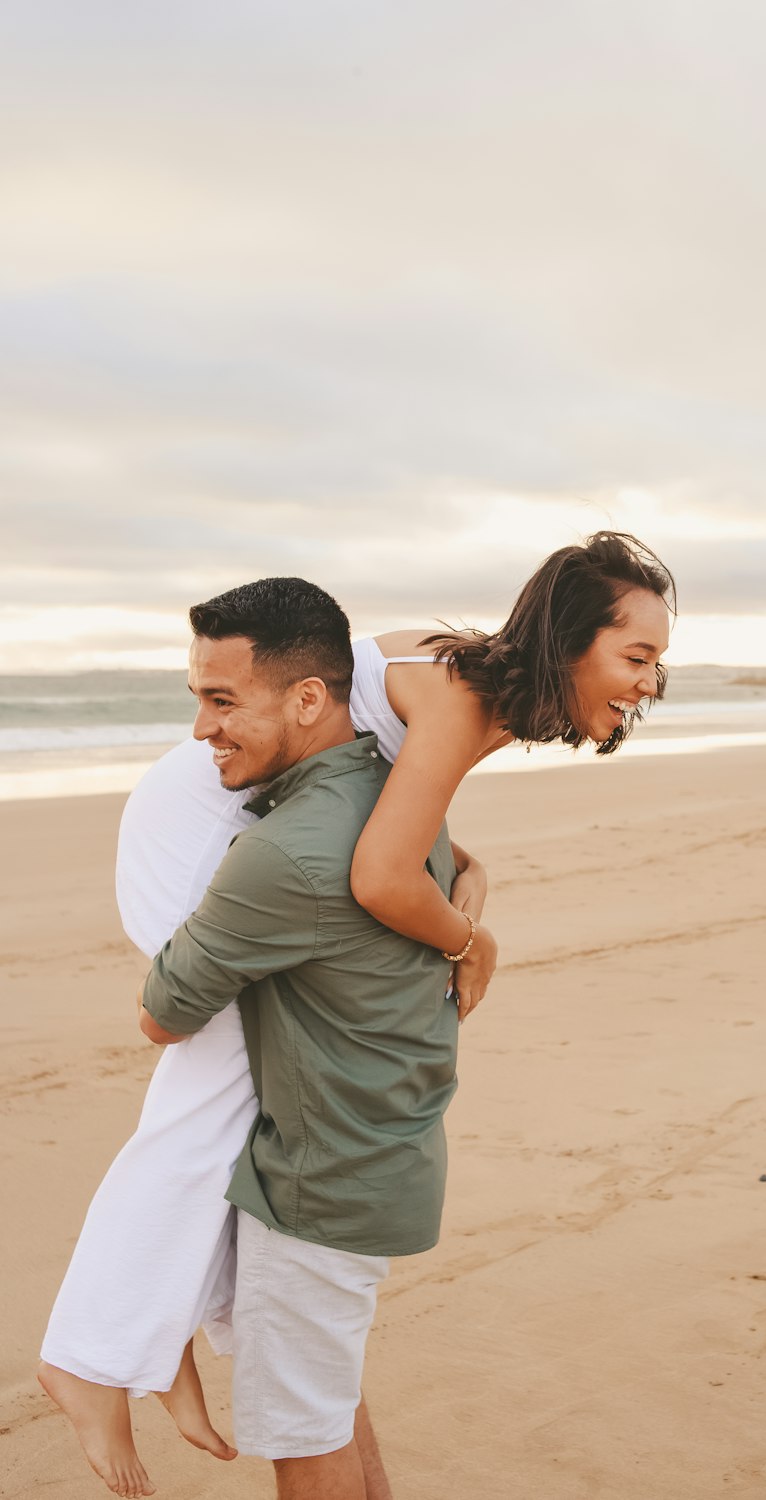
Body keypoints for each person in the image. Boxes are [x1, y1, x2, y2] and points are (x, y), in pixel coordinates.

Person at [38, 532, 675, 1498]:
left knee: (259, 1084)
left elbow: (397, 826)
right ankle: (105, 1348)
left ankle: (150, 1326)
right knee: (227, 1078)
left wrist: (463, 870)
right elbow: (378, 874)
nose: (651, 681)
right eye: (637, 656)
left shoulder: (470, 681)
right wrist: (472, 942)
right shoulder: (465, 703)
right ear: (568, 639)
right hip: (206, 815)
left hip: (257, 800)